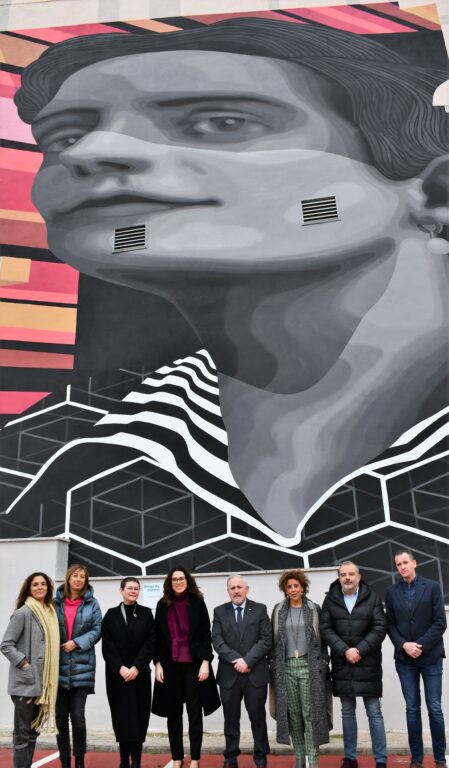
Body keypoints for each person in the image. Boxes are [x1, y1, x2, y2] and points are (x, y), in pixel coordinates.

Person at [7, 19, 448, 548]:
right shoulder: (41, 446)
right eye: (64, 136)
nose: (86, 152)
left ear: (435, 194)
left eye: (221, 122)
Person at [320, 561, 387, 768]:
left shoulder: (373, 598)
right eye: (343, 575)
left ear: (359, 577)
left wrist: (359, 650)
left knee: (374, 712)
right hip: (343, 664)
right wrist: (344, 650)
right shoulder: (331, 599)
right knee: (347, 712)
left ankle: (381, 761)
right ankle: (350, 758)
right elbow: (325, 628)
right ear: (339, 577)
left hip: (368, 664)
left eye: (351, 574)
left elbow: (380, 628)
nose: (347, 578)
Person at [152, 566, 220, 768]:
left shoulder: (197, 602)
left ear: (187, 580)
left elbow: (206, 634)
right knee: (173, 714)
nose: (178, 582)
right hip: (170, 666)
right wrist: (157, 664)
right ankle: (177, 757)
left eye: (181, 578)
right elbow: (157, 637)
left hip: (193, 665)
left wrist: (206, 661)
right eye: (174, 579)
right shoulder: (162, 604)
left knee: (194, 713)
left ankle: (195, 758)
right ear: (170, 583)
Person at [385, 549, 447, 768]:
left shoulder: (432, 587)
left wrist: (419, 645)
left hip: (430, 657)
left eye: (405, 562)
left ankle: (440, 759)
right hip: (405, 660)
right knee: (412, 709)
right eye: (398, 564)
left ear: (414, 563)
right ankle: (417, 759)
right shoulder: (391, 592)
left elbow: (440, 622)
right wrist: (404, 645)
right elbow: (390, 624)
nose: (402, 567)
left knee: (434, 708)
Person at [270, 568, 331, 768]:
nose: (293, 589)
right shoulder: (278, 610)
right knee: (294, 715)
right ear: (285, 589)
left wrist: (323, 662)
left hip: (309, 667)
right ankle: (299, 757)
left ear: (303, 587)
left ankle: (312, 760)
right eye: (289, 587)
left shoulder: (313, 608)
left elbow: (323, 640)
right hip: (286, 667)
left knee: (310, 714)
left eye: (296, 586)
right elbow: (273, 642)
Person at [212, 574, 272, 768]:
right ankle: (230, 758)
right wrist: (236, 660)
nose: (236, 591)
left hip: (255, 674)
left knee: (258, 718)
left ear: (247, 589)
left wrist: (247, 661)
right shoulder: (219, 611)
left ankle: (261, 758)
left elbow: (266, 640)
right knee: (230, 719)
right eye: (233, 588)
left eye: (239, 587)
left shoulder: (260, 609)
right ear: (228, 591)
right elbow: (217, 641)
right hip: (229, 675)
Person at [0, 572, 59, 768]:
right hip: (25, 683)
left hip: (43, 683)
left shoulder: (50, 612)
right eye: (35, 584)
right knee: (22, 732)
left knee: (34, 730)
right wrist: (24, 664)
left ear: (48, 589)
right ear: (29, 589)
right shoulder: (23, 612)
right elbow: (6, 644)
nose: (40, 587)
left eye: (43, 584)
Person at [102, 577, 155, 768]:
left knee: (139, 717)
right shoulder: (111, 615)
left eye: (136, 588)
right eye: (130, 588)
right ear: (121, 590)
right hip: (118, 677)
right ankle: (124, 760)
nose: (133, 591)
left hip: (140, 675)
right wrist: (120, 667)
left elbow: (151, 643)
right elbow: (107, 645)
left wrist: (137, 667)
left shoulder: (146, 613)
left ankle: (137, 761)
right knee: (122, 717)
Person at [54, 563, 102, 768]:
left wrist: (77, 642)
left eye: (82, 576)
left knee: (78, 716)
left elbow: (98, 629)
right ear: (68, 578)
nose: (79, 579)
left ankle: (80, 760)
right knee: (60, 719)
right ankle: (65, 761)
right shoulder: (55, 603)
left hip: (83, 667)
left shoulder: (92, 603)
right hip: (57, 668)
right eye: (75, 575)